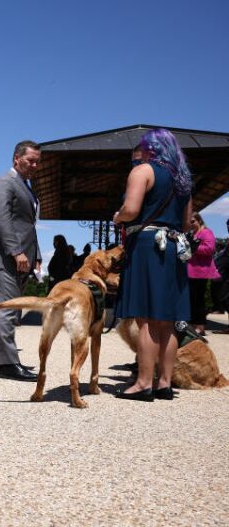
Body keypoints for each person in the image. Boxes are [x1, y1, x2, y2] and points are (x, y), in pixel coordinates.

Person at [113, 128, 193, 401]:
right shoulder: (182, 180)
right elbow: (185, 223)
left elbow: (132, 210)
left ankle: (143, 383)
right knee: (167, 321)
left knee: (145, 317)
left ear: (151, 149)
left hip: (147, 246)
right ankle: (164, 383)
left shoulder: (142, 171)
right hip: (173, 246)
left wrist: (118, 216)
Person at [0, 140, 42, 381]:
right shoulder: (4, 183)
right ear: (16, 158)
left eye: (38, 161)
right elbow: (3, 220)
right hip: (5, 258)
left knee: (3, 311)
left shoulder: (26, 186)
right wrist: (16, 251)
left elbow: (28, 226)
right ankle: (8, 364)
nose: (35, 165)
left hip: (20, 258)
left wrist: (35, 255)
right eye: (30, 161)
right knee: (7, 312)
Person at [186, 212, 220, 335]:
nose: (190, 224)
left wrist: (193, 247)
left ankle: (200, 326)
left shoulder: (206, 232)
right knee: (191, 299)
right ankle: (193, 324)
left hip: (201, 271)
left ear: (199, 221)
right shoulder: (192, 234)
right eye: (189, 221)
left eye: (193, 221)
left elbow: (210, 249)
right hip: (190, 271)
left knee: (199, 299)